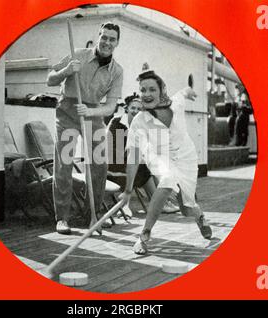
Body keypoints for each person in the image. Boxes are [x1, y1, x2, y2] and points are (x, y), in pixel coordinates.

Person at [119, 65, 212, 254]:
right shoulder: (139, 121)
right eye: (143, 90)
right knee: (167, 181)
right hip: (160, 158)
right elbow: (133, 156)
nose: (146, 94)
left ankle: (199, 216)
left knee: (186, 209)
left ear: (161, 91)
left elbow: (183, 92)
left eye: (152, 89)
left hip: (186, 157)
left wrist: (190, 91)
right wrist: (128, 190)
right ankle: (144, 236)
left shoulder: (176, 103)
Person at [47, 22, 123, 234]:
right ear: (98, 37)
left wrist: (89, 112)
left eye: (112, 39)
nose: (107, 42)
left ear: (117, 43)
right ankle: (62, 217)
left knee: (99, 163)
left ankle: (94, 214)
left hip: (93, 112)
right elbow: (49, 80)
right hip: (68, 109)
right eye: (104, 37)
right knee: (64, 162)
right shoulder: (78, 54)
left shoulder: (117, 71)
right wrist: (66, 71)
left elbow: (110, 106)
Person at [107, 93, 179, 217]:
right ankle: (129, 205)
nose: (135, 111)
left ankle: (159, 203)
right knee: (140, 167)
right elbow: (115, 151)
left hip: (127, 162)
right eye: (133, 108)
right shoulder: (117, 122)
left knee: (148, 166)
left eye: (139, 109)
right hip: (112, 166)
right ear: (127, 109)